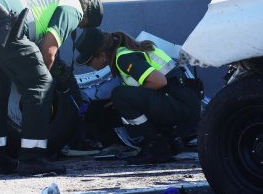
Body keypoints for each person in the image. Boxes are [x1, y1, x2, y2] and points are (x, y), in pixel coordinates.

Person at [0, 0, 103, 175]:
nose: (77, 25)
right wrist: (38, 80)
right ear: (85, 18)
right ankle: (32, 158)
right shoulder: (74, 8)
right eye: (81, 25)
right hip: (0, 22)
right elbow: (48, 51)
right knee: (41, 84)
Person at [74, 28, 201, 164]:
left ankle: (157, 147)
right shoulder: (127, 51)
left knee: (120, 95)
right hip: (181, 101)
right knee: (118, 99)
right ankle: (166, 141)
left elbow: (159, 81)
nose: (88, 65)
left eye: (89, 61)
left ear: (102, 55)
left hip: (180, 105)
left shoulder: (124, 57)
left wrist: (127, 97)